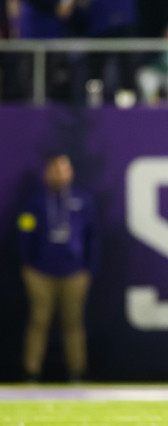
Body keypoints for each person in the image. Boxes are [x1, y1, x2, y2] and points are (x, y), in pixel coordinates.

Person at [17, 154, 98, 382]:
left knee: (73, 323)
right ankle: (31, 372)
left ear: (70, 172)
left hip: (74, 273)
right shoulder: (35, 201)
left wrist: (88, 268)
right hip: (40, 273)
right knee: (38, 321)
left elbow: (93, 237)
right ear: (46, 173)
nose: (59, 174)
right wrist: (28, 265)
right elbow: (25, 233)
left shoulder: (82, 200)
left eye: (64, 169)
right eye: (54, 170)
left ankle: (77, 371)